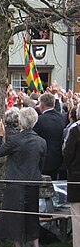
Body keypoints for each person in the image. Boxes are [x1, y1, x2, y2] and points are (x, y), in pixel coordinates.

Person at [0, 107, 47, 247]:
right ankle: (35, 244)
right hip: (32, 182)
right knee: (31, 216)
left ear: (21, 122)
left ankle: (19, 245)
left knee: (17, 219)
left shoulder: (15, 140)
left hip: (16, 184)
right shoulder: (41, 142)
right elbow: (41, 165)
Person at [33, 93, 67, 180]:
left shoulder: (40, 120)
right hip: (59, 158)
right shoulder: (63, 117)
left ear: (42, 105)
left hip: (44, 159)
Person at [63, 104, 80, 246]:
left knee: (77, 217)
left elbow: (67, 154)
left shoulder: (75, 130)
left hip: (76, 176)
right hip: (76, 177)